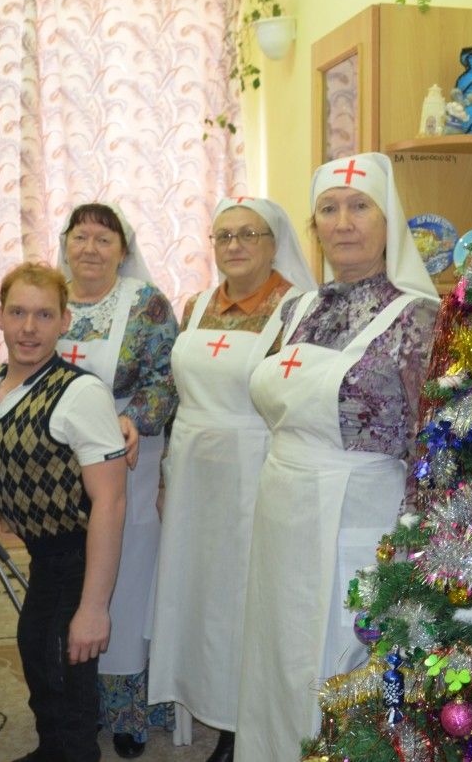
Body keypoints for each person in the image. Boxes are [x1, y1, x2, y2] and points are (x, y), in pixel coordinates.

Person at [235, 154, 439, 761]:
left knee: (339, 661)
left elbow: (431, 440)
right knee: (278, 653)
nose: (343, 222)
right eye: (329, 209)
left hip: (360, 515)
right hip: (282, 513)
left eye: (359, 207)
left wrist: (416, 544)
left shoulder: (417, 317)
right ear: (314, 225)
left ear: (388, 220)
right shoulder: (297, 309)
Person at [148, 197, 317, 762]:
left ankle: (240, 722)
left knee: (241, 596)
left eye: (249, 234)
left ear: (275, 243)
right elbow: (176, 396)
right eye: (223, 236)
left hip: (253, 467)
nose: (235, 245)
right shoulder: (195, 305)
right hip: (192, 470)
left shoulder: (296, 308)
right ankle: (195, 691)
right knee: (194, 589)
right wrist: (166, 474)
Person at [0, 261, 128, 762]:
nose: (29, 328)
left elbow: (111, 501)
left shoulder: (80, 393)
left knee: (63, 669)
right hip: (40, 552)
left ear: (64, 321)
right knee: (38, 658)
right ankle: (51, 750)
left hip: (76, 553)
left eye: (43, 315)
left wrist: (94, 608)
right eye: (17, 312)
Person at [57, 202, 179, 758]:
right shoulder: (49, 297)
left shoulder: (146, 303)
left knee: (126, 583)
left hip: (128, 456)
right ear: (65, 244)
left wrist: (135, 419)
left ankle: (130, 713)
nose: (90, 248)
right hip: (59, 461)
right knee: (66, 577)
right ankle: (76, 703)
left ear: (123, 251)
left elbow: (165, 378)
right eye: (80, 237)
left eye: (103, 240)